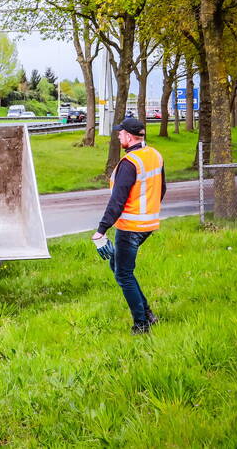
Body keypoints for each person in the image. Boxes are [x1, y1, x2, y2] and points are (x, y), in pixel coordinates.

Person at [91, 117, 166, 335]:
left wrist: (101, 230)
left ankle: (142, 324)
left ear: (130, 137)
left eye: (120, 133)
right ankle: (148, 314)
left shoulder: (129, 163)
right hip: (148, 224)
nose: (118, 136)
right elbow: (162, 189)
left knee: (123, 274)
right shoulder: (154, 155)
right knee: (118, 266)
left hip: (131, 226)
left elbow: (117, 201)